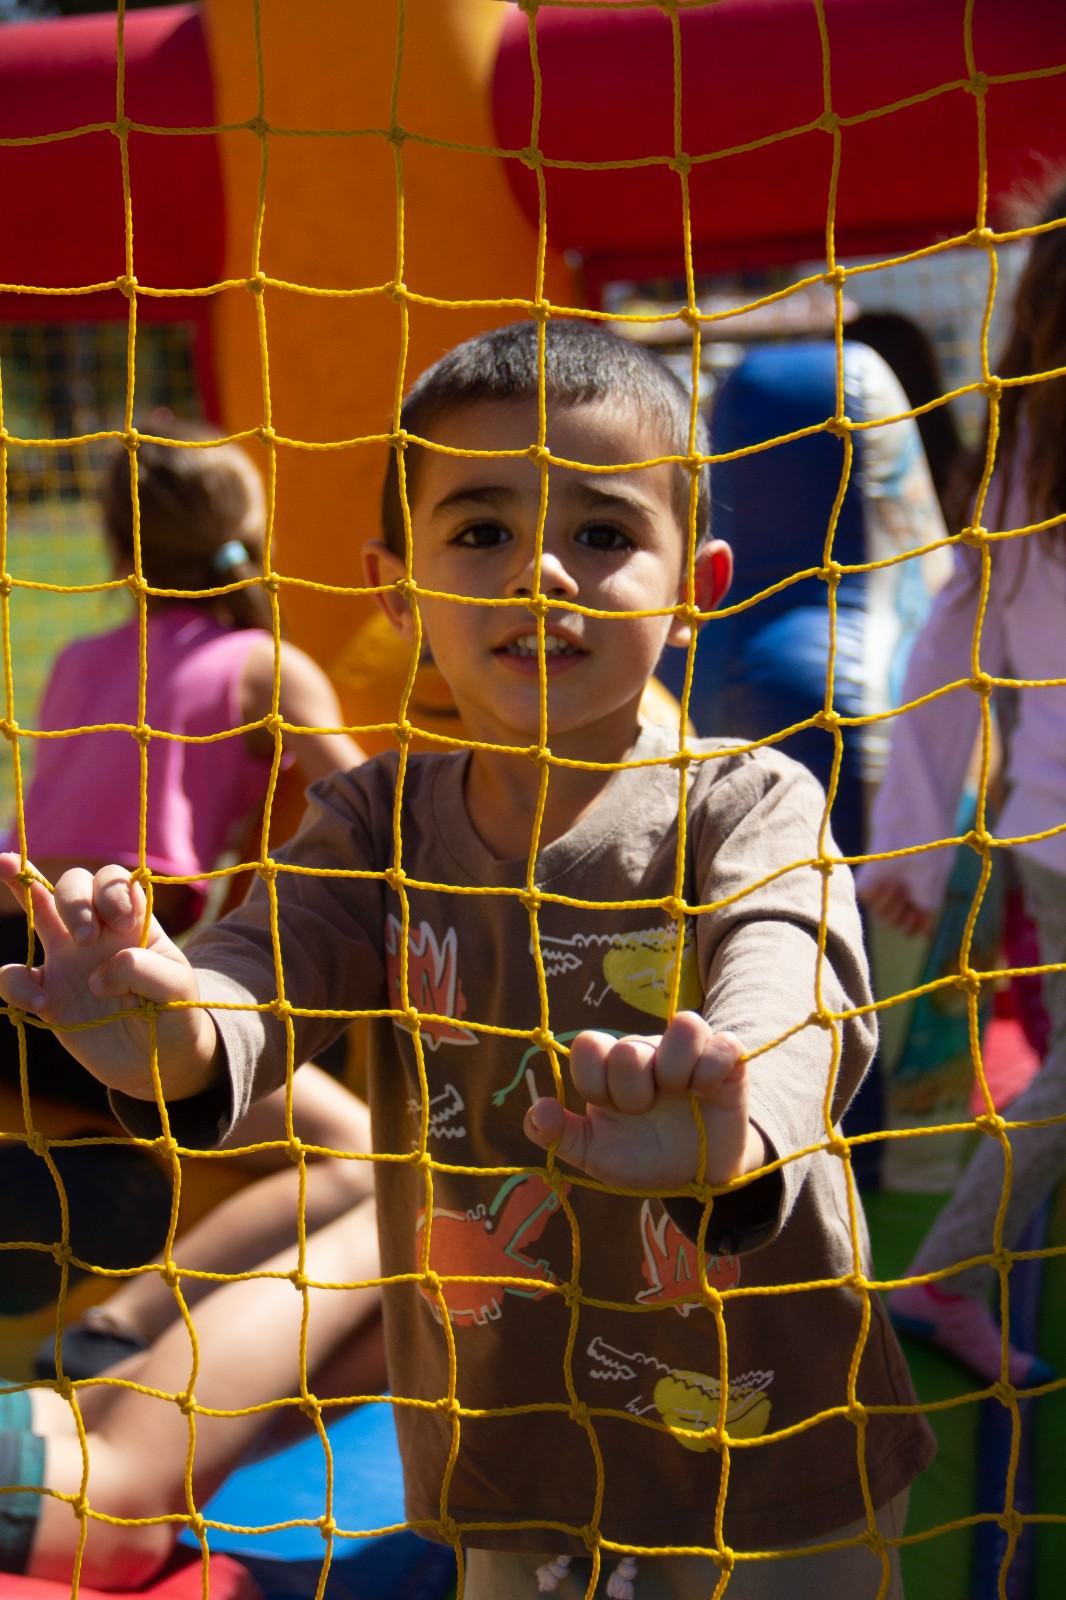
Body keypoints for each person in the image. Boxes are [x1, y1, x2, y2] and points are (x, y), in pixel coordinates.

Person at [0, 322, 934, 1597]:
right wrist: (168, 1028)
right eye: (483, 532)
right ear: (399, 586)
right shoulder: (377, 822)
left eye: (602, 534)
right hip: (505, 1408)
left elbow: (790, 976)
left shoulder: (746, 804)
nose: (541, 571)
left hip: (753, 1400)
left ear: (696, 582)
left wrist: (733, 1110)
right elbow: (256, 967)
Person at [0, 424, 365, 1308]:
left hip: (14, 957)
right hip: (96, 969)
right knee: (357, 1159)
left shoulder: (80, 659)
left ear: (123, 551)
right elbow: (377, 815)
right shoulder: (264, 664)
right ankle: (125, 1326)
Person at [856, 181, 1066, 1389]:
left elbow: (954, 644)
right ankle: (938, 1276)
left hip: (1036, 818)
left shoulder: (1021, 446)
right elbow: (955, 645)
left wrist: (915, 847)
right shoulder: (1028, 460)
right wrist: (911, 848)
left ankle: (941, 1274)